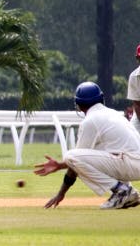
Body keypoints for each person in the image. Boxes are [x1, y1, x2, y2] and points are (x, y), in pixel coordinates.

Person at [34, 81, 140, 209]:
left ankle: (122, 191)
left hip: (129, 163)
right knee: (94, 150)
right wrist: (60, 165)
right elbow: (83, 159)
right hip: (132, 163)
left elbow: (75, 162)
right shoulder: (111, 113)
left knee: (70, 155)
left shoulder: (90, 121)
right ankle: (129, 194)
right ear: (101, 98)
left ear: (78, 105)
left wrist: (61, 193)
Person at [125, 44, 140, 126]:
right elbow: (137, 104)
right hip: (139, 118)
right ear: (137, 58)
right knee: (133, 132)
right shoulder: (134, 77)